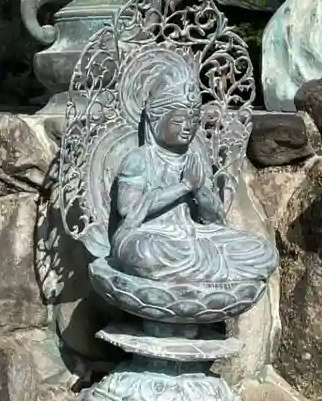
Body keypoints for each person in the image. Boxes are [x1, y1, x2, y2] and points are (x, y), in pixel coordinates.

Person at [108, 51, 278, 286]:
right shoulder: (139, 159)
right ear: (155, 121)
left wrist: (199, 190)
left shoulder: (195, 158)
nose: (187, 127)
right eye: (178, 121)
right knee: (144, 253)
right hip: (151, 237)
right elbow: (128, 210)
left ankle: (200, 269)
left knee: (262, 251)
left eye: (193, 120)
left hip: (192, 236)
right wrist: (184, 186)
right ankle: (206, 270)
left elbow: (213, 218)